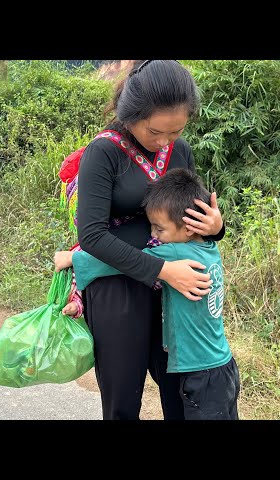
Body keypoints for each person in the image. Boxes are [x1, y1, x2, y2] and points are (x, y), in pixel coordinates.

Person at [53, 60, 225, 420]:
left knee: (180, 392)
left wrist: (214, 227)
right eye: (156, 132)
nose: (165, 142)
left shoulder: (180, 151)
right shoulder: (104, 152)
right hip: (118, 285)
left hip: (172, 291)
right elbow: (93, 236)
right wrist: (163, 270)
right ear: (131, 113)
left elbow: (187, 217)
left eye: (175, 132)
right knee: (123, 396)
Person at [57, 168, 239, 420]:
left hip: (199, 373)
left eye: (159, 229)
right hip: (223, 367)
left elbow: (119, 262)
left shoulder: (177, 252)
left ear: (188, 228)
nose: (153, 236)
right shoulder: (208, 245)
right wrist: (217, 226)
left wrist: (72, 258)